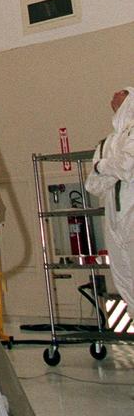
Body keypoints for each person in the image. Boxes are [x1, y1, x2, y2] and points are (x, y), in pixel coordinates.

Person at [86, 87, 134, 316]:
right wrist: (108, 168)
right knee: (123, 272)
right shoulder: (106, 143)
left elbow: (126, 166)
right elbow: (93, 184)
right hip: (114, 218)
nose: (115, 95)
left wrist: (103, 166)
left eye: (122, 92)